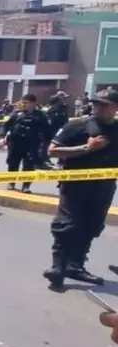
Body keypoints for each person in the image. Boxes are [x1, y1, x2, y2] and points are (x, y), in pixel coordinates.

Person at [44, 88, 118, 289]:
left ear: (115, 108)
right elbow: (52, 151)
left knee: (92, 225)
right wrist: (86, 148)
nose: (99, 108)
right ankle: (57, 267)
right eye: (96, 104)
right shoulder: (77, 126)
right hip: (75, 185)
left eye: (105, 105)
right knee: (67, 225)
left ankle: (75, 266)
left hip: (104, 186)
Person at [3, 93, 49, 193]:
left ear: (33, 103)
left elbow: (47, 131)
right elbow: (6, 125)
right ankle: (11, 182)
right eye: (22, 102)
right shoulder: (17, 113)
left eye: (26, 103)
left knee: (29, 165)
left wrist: (47, 145)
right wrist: (1, 137)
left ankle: (26, 186)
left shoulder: (41, 116)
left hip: (31, 144)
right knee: (13, 163)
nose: (23, 104)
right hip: (16, 142)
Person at [43, 92, 70, 168]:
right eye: (63, 98)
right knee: (47, 145)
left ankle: (61, 161)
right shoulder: (51, 109)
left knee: (63, 144)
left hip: (62, 129)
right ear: (59, 99)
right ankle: (45, 160)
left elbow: (66, 119)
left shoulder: (64, 107)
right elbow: (48, 121)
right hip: (51, 130)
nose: (65, 100)